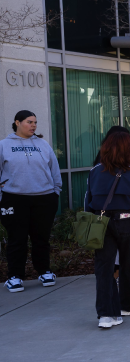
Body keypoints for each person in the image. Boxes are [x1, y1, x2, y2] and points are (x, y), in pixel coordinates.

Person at [84, 130, 130, 327]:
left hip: (100, 222)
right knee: (128, 264)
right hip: (126, 220)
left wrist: (91, 224)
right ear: (128, 149)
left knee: (103, 268)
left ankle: (106, 315)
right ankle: (129, 305)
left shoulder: (95, 171)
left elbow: (87, 200)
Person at [0, 110, 62, 293]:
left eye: (35, 122)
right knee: (16, 239)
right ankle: (15, 277)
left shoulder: (43, 144)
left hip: (44, 198)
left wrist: (55, 192)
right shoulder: (4, 145)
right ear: (17, 122)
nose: (33, 125)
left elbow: (55, 170)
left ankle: (44, 272)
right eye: (29, 122)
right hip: (14, 199)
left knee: (41, 238)